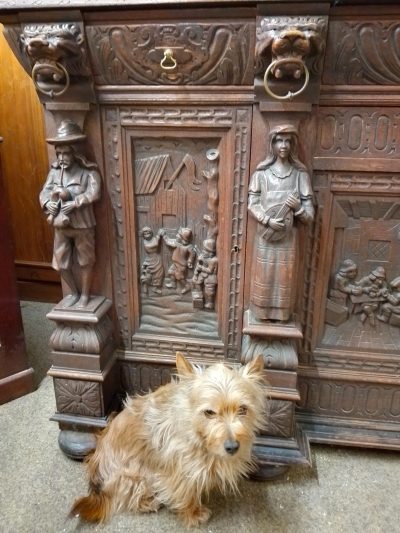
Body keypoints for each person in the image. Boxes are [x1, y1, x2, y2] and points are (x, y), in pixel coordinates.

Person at [248, 124, 314, 321]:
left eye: (287, 141)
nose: (283, 145)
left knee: (284, 277)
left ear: (292, 145)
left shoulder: (300, 176)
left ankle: (281, 314)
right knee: (264, 275)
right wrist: (267, 220)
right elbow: (252, 204)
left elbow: (309, 216)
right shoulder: (261, 175)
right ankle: (261, 313)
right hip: (266, 237)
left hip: (288, 238)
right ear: (272, 144)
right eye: (279, 140)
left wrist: (298, 208)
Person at [39, 120, 101, 308]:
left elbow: (94, 193)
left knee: (86, 261)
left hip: (82, 224)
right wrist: (48, 202)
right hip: (60, 224)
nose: (63, 157)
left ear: (75, 152)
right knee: (61, 263)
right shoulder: (55, 173)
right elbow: (44, 191)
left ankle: (85, 295)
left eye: (66, 153)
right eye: (60, 153)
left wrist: (75, 202)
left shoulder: (88, 172)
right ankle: (73, 292)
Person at [163, 227, 196, 294]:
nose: (176, 235)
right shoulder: (176, 243)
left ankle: (187, 286)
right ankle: (173, 284)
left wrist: (190, 261)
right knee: (171, 272)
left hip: (181, 265)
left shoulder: (189, 247)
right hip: (175, 263)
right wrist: (164, 236)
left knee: (180, 277)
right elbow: (168, 242)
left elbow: (192, 254)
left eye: (178, 235)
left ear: (183, 238)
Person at [192, 238, 218, 309]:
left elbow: (210, 271)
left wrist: (201, 268)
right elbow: (200, 264)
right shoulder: (204, 257)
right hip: (203, 275)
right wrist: (200, 261)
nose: (203, 251)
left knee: (209, 291)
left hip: (210, 277)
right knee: (196, 281)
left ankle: (210, 303)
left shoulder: (213, 260)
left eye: (205, 250)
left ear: (210, 252)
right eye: (203, 249)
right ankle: (200, 294)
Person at [140, 226, 164, 294]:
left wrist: (159, 236)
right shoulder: (145, 242)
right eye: (145, 233)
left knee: (159, 273)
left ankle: (155, 288)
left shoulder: (154, 238)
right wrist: (159, 236)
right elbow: (154, 244)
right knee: (147, 273)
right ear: (143, 235)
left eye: (148, 232)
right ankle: (145, 285)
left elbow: (156, 242)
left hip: (157, 258)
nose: (147, 233)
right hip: (150, 259)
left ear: (151, 233)